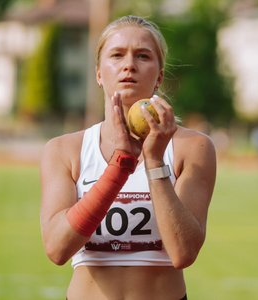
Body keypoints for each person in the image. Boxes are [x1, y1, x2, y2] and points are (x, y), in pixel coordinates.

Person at [39, 15, 217, 300]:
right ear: (98, 73)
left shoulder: (193, 148)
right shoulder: (63, 150)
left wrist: (155, 162)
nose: (129, 65)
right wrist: (120, 166)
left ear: (159, 76)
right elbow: (58, 249)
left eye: (143, 56)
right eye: (117, 55)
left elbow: (183, 252)